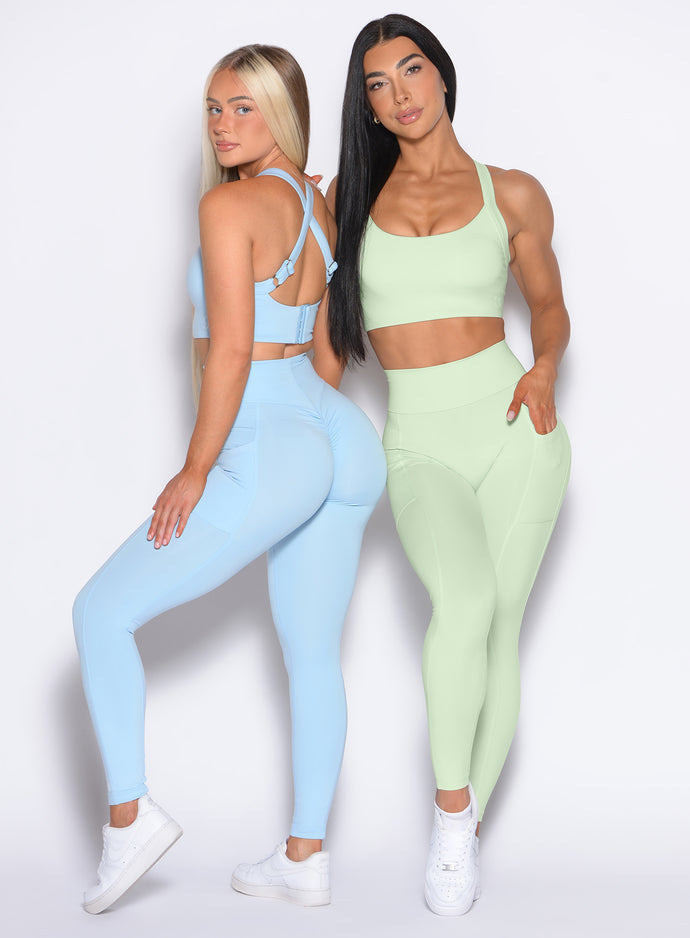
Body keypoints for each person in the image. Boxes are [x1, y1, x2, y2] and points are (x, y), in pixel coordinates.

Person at [72, 44, 386, 915]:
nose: (222, 124)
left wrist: (196, 469)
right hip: (338, 437)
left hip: (270, 441)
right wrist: (310, 438)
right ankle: (304, 857)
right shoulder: (316, 203)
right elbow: (324, 353)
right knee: (314, 656)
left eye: (244, 107)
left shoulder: (229, 206)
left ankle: (130, 819)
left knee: (98, 613)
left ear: (282, 113)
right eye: (214, 108)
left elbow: (236, 353)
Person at [328, 14, 571, 916]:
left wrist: (545, 367)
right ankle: (455, 811)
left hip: (516, 428)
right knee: (462, 603)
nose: (400, 93)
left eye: (412, 69)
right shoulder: (349, 201)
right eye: (379, 84)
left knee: (499, 627)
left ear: (441, 75)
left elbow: (549, 305)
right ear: (368, 107)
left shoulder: (513, 192)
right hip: (419, 438)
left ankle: (453, 834)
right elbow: (320, 337)